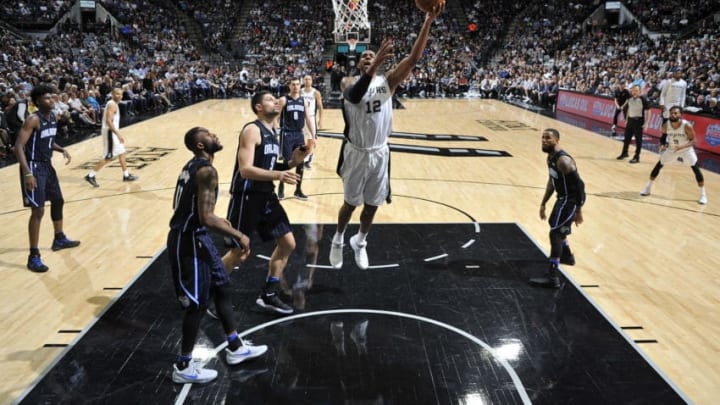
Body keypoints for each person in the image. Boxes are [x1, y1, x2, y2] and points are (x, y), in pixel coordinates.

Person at [329, 4, 444, 270]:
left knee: (372, 205)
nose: (369, 57)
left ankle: (361, 241)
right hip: (356, 151)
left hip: (379, 152)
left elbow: (414, 59)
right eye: (366, 57)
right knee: (350, 203)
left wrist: (427, 22)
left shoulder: (388, 82)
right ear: (359, 63)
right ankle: (338, 239)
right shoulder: (347, 82)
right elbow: (356, 95)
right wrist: (375, 64)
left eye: (373, 55)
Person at [168, 126, 267, 384]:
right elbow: (207, 217)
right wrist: (238, 234)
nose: (216, 135)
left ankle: (235, 347)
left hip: (198, 236)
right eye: (210, 134)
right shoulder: (206, 170)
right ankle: (183, 366)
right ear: (201, 145)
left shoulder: (192, 166)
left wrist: (218, 224)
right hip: (188, 241)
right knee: (197, 305)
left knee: (222, 285)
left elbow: (190, 208)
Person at [226, 91, 310, 315]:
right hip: (247, 196)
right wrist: (278, 176)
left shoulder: (274, 131)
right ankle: (209, 293)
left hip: (266, 196)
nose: (276, 101)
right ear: (258, 108)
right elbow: (245, 170)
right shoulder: (252, 129)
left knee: (288, 244)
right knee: (239, 252)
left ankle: (269, 294)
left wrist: (293, 162)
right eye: (270, 100)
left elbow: (274, 167)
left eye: (276, 99)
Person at [14, 84, 80, 273]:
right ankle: (33, 256)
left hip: (47, 166)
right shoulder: (33, 119)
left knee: (58, 200)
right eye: (46, 98)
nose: (51, 100)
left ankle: (59, 238)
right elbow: (18, 147)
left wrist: (61, 149)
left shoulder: (53, 117)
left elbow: (47, 141)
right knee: (38, 210)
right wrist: (27, 173)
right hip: (33, 166)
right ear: (37, 102)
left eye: (52, 97)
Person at [530, 128, 585, 288]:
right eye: (542, 138)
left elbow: (580, 186)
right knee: (555, 225)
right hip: (562, 198)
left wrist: (578, 210)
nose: (544, 140)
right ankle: (567, 256)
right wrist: (543, 203)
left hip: (571, 200)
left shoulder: (563, 161)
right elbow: (551, 181)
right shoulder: (550, 157)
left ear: (556, 140)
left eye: (548, 138)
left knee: (555, 233)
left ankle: (553, 277)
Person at [640, 106, 707, 205]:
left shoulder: (686, 126)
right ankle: (648, 187)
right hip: (672, 148)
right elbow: (663, 137)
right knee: (659, 164)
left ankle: (703, 194)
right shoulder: (666, 125)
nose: (673, 115)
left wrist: (682, 146)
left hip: (686, 149)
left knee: (695, 168)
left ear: (680, 114)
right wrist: (662, 145)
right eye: (672, 113)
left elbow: (694, 141)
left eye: (676, 113)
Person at [84, 88, 138, 187]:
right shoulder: (112, 104)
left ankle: (126, 175)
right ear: (112, 94)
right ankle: (91, 175)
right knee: (108, 157)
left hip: (111, 132)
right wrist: (118, 134)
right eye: (117, 94)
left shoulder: (113, 104)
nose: (120, 96)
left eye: (121, 94)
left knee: (122, 152)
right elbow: (109, 121)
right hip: (110, 133)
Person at [276, 78, 316, 200]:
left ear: (300, 86)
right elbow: (276, 118)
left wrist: (313, 136)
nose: (295, 87)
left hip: (299, 134)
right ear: (289, 86)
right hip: (287, 134)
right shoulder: (283, 100)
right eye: (293, 84)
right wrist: (272, 133)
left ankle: (298, 190)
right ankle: (280, 189)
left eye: (298, 84)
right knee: (286, 163)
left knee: (300, 162)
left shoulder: (303, 101)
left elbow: (308, 118)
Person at [616, 85, 650, 163]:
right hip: (630, 120)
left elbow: (649, 111)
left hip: (639, 121)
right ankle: (624, 153)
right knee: (626, 138)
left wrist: (647, 123)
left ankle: (636, 157)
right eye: (633, 90)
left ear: (639, 92)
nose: (634, 92)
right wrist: (627, 119)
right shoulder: (630, 99)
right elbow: (629, 109)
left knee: (638, 140)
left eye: (636, 90)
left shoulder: (643, 99)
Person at [301, 74, 323, 169]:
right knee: (301, 139)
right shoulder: (299, 91)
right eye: (305, 79)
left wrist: (320, 120)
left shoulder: (316, 92)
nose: (307, 81)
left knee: (311, 140)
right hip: (301, 118)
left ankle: (308, 158)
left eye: (309, 79)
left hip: (311, 117)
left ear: (312, 81)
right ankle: (304, 156)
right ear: (303, 81)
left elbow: (320, 107)